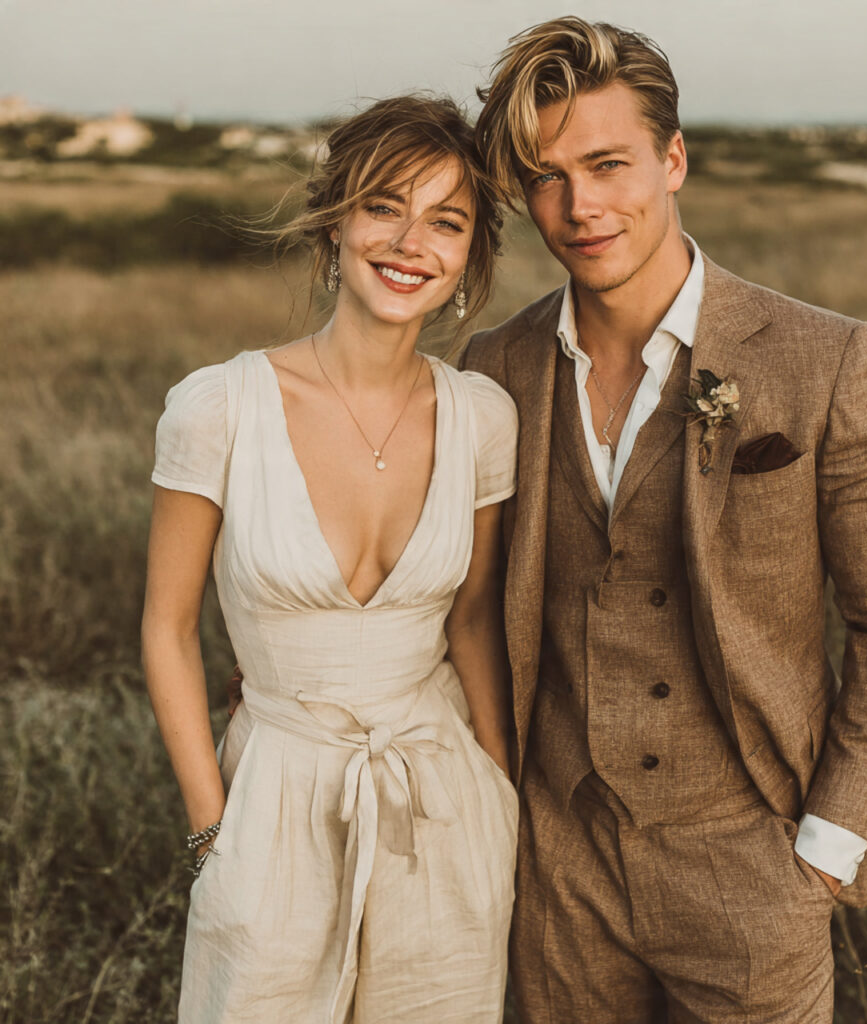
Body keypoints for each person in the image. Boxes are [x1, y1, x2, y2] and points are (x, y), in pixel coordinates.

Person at [462, 17, 867, 1023]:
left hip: (753, 867)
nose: (581, 207)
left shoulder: (826, 359)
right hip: (559, 871)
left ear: (673, 159)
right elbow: (456, 601)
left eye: (608, 165)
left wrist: (827, 848)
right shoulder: (494, 368)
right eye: (547, 178)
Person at [141, 95, 519, 1023]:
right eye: (384, 207)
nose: (410, 243)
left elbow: (472, 622)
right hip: (271, 799)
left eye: (447, 221)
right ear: (335, 223)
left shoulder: (481, 418)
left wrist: (502, 794)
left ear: (470, 254)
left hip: (441, 802)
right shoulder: (219, 408)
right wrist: (211, 830)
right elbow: (167, 627)